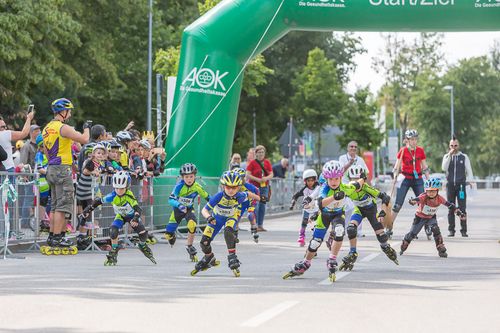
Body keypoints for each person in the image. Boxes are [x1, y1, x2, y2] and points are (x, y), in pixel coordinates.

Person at [79, 171, 156, 265]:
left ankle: (142, 245)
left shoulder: (129, 195)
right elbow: (98, 201)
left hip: (131, 216)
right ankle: (114, 250)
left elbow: (138, 209)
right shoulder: (112, 195)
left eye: (122, 189)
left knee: (143, 234)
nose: (119, 191)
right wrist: (88, 210)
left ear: (127, 187)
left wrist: (135, 218)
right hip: (120, 216)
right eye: (117, 188)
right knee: (113, 231)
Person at [42, 98, 90, 250]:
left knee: (56, 205)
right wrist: (87, 127)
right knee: (63, 206)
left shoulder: (47, 128)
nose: (69, 114)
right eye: (69, 111)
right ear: (63, 112)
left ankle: (53, 236)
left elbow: (46, 152)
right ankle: (58, 238)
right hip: (62, 169)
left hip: (52, 167)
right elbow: (84, 139)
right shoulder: (63, 128)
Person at [333, 165, 398, 271]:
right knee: (351, 229)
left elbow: (385, 197)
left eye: (357, 179)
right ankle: (352, 252)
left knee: (381, 235)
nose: (355, 182)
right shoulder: (348, 188)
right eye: (353, 179)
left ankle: (386, 246)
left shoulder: (366, 188)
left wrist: (383, 210)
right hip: (359, 210)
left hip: (371, 211)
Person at [191, 171, 252, 277]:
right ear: (223, 186)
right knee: (204, 243)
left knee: (228, 232)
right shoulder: (218, 196)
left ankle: (232, 257)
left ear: (238, 188)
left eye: (234, 187)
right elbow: (204, 210)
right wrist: (209, 217)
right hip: (216, 219)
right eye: (228, 187)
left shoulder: (240, 195)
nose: (231, 190)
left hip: (230, 218)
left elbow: (250, 194)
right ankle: (209, 257)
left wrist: (261, 198)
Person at [400, 178, 464, 258]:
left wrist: (457, 212)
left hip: (431, 217)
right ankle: (404, 244)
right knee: (412, 234)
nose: (431, 193)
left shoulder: (439, 198)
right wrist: (412, 201)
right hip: (419, 218)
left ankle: (440, 247)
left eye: (433, 191)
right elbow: (417, 199)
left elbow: (449, 205)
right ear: (426, 191)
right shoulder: (424, 196)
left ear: (437, 191)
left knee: (435, 229)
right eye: (429, 191)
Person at [388, 129, 430, 237]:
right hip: (405, 178)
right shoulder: (402, 151)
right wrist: (395, 177)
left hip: (418, 179)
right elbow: (396, 166)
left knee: (423, 203)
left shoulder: (420, 150)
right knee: (397, 205)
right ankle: (389, 228)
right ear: (407, 140)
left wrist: (428, 180)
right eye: (412, 139)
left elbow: (424, 166)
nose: (414, 141)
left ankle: (427, 227)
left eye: (415, 139)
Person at [166, 163, 210, 262]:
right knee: (168, 234)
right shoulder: (179, 186)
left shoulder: (197, 186)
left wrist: (216, 203)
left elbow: (208, 197)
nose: (189, 179)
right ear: (182, 177)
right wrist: (179, 205)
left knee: (192, 225)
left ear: (195, 176)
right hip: (177, 210)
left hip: (189, 210)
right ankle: (171, 235)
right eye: (186, 177)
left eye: (191, 176)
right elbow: (170, 199)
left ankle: (190, 246)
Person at [75, 143, 106, 250]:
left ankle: (89, 236)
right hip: (86, 191)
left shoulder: (100, 164)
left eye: (102, 153)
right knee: (87, 213)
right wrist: (93, 172)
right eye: (98, 153)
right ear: (93, 154)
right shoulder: (89, 162)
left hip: (94, 190)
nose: (100, 155)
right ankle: (81, 236)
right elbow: (85, 171)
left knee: (93, 214)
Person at [442, 137, 474, 237]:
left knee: (462, 208)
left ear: (458, 146)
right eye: (452, 145)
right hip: (450, 185)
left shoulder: (464, 157)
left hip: (461, 186)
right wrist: (449, 155)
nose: (454, 147)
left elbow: (469, 170)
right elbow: (444, 168)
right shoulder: (446, 156)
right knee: (451, 208)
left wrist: (471, 181)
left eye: (455, 145)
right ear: (449, 146)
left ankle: (464, 230)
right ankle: (451, 230)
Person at [289, 169, 320, 247]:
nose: (310, 183)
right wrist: (293, 203)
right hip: (307, 208)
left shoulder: (318, 187)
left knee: (317, 224)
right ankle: (301, 237)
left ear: (315, 180)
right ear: (305, 181)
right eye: (308, 181)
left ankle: (315, 238)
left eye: (312, 180)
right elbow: (295, 196)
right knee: (304, 223)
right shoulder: (304, 189)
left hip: (316, 208)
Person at [246, 145, 273, 232]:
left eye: (262, 152)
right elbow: (248, 174)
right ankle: (255, 224)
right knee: (256, 205)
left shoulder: (267, 162)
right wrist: (257, 179)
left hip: (264, 186)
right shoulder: (252, 163)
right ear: (256, 153)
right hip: (254, 186)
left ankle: (260, 225)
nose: (261, 154)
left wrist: (266, 178)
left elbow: (271, 174)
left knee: (262, 206)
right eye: (259, 152)